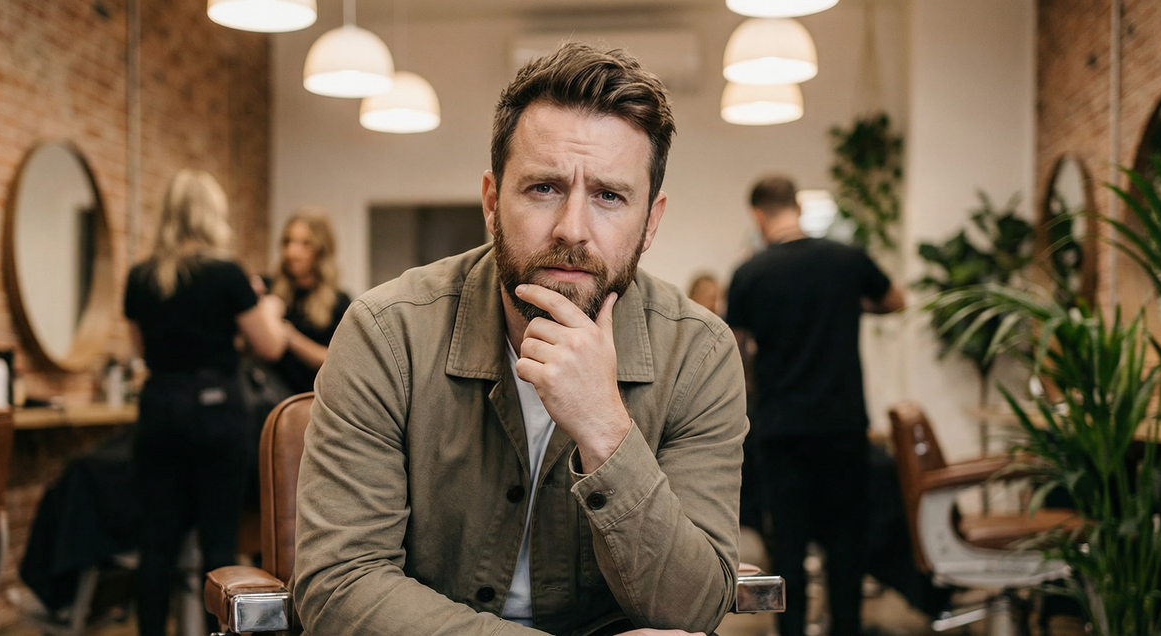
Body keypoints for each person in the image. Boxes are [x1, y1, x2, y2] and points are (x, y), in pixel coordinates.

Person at [291, 43, 747, 636]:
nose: (573, 230)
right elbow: (340, 587)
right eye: (543, 189)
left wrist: (605, 428)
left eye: (609, 196)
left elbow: (693, 610)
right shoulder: (387, 334)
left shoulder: (699, 356)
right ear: (491, 201)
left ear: (651, 222)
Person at [725, 175, 905, 636]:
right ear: (798, 208)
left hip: (782, 429)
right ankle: (845, 627)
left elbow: (735, 347)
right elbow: (895, 300)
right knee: (847, 542)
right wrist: (850, 307)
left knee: (788, 546)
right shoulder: (846, 260)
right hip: (842, 425)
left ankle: (792, 631)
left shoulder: (750, 273)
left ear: (758, 216)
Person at [123, 169, 287, 636]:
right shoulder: (227, 274)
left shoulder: (141, 277)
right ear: (211, 216)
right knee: (219, 543)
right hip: (217, 414)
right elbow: (270, 345)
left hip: (159, 408)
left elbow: (139, 350)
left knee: (156, 545)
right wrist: (267, 305)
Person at [269, 210, 352, 395]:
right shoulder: (270, 290)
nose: (292, 252)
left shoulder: (339, 302)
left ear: (321, 250)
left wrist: (291, 338)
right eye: (288, 242)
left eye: (305, 244)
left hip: (311, 402)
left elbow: (337, 361)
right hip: (269, 399)